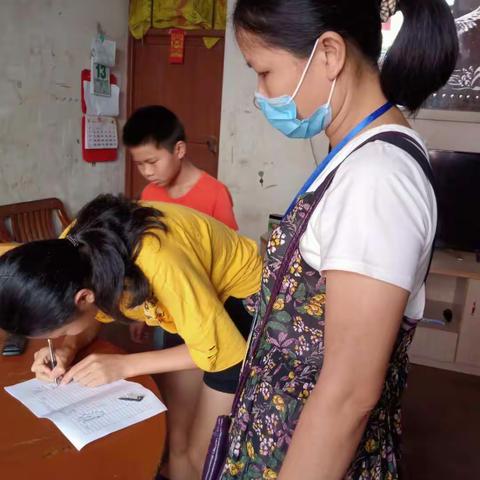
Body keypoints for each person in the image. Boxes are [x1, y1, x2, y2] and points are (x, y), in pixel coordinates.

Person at [212, 0, 458, 479]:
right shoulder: (354, 156)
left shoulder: (378, 179)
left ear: (328, 54)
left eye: (264, 72)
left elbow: (348, 396)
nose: (260, 94)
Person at [0, 194, 262, 480]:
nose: (61, 338)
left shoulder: (160, 264)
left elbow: (223, 350)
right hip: (189, 303)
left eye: (60, 333)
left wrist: (125, 366)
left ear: (84, 297)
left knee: (203, 449)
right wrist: (68, 348)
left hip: (237, 301)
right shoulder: (69, 252)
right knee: (177, 436)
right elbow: (93, 313)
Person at [123, 105, 238, 230]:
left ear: (179, 150)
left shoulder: (216, 194)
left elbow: (229, 247)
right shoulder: (148, 193)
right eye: (140, 164)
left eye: (152, 162)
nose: (147, 172)